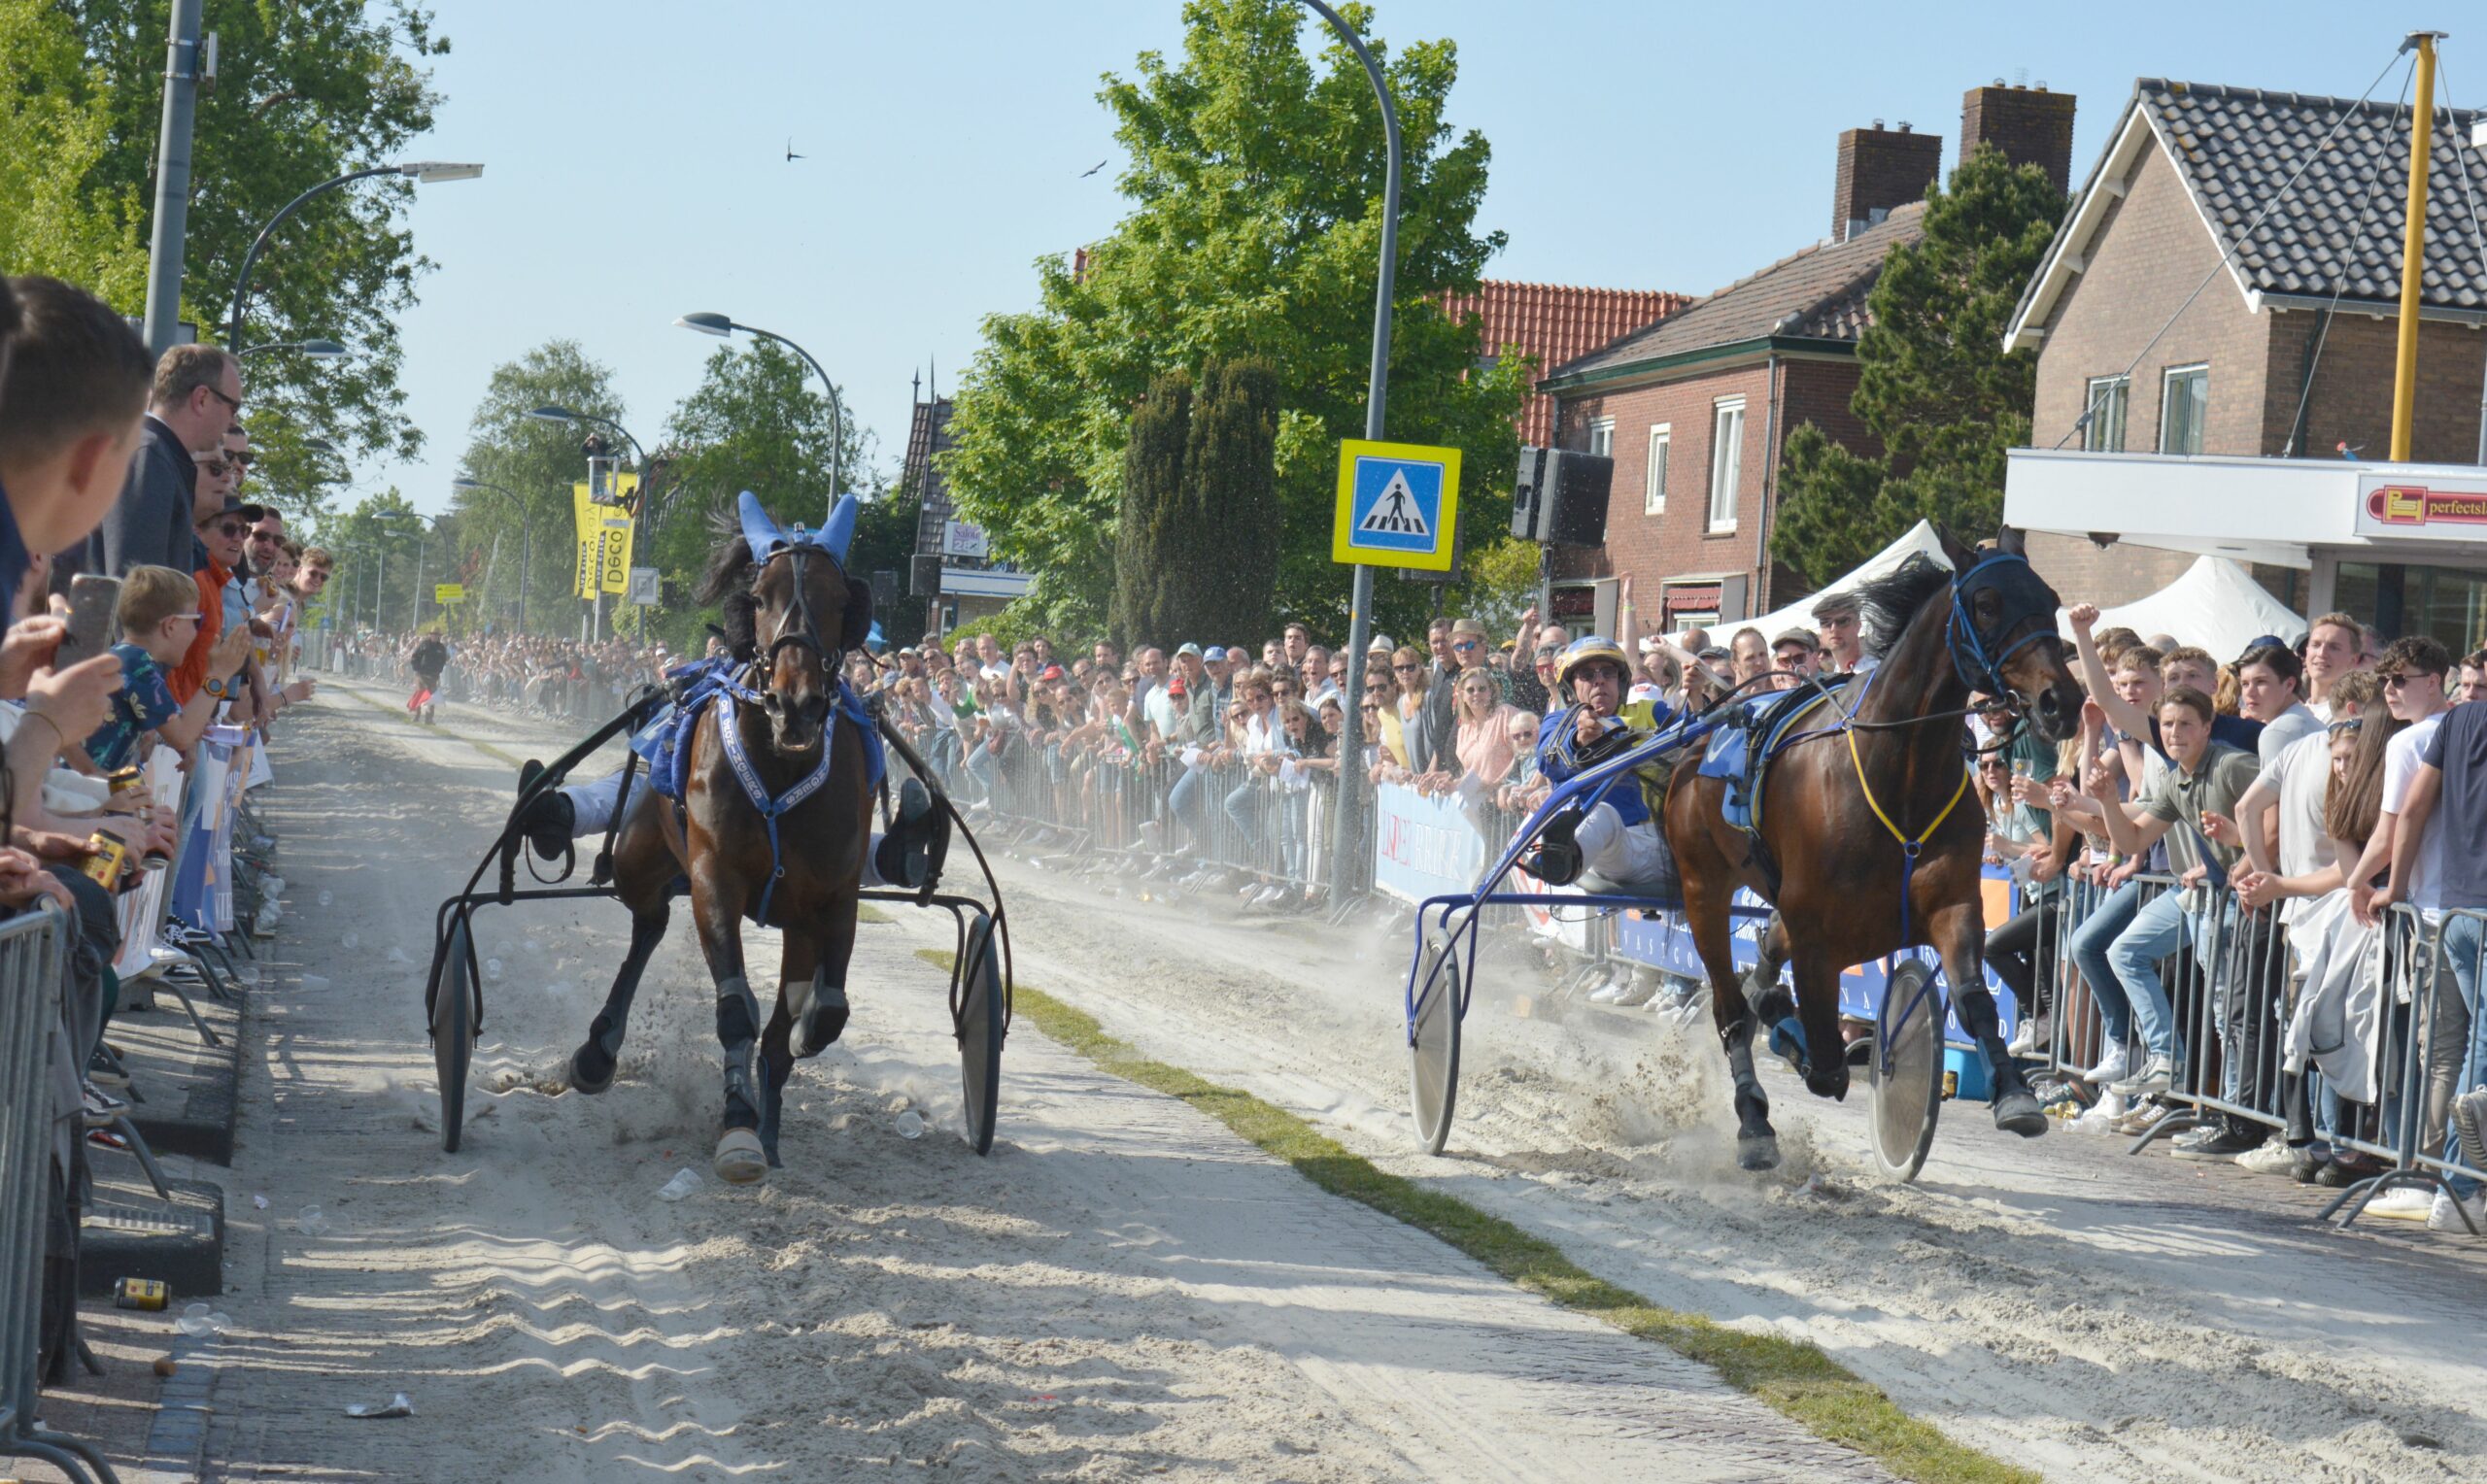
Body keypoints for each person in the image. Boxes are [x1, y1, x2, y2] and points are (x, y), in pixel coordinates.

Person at [2087, 687, 2262, 1097]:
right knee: (2125, 952)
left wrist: (2244, 864)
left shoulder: (2235, 764)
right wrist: (2109, 801)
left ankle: (2236, 1110)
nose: (2174, 732)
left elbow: (2281, 822)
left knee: (2233, 1013)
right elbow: (2132, 842)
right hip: (2214, 896)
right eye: (2167, 724)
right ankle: (2168, 1060)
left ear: (2207, 727)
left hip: (2252, 897)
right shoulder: (2174, 780)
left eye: (2185, 723)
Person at [1519, 636, 1680, 896]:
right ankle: (1559, 861)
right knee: (1604, 815)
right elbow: (1549, 761)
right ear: (1570, 688)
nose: (1600, 680)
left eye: (1608, 673)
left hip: (1660, 845)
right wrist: (1580, 740)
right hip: (1606, 848)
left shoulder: (1654, 712)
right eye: (1587, 675)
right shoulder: (1559, 722)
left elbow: (1698, 732)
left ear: (1621, 682)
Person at [74, 341, 240, 582]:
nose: (234, 421)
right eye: (233, 407)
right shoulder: (149, 457)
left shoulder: (155, 454)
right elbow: (137, 590)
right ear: (202, 398)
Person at [1812, 590, 1868, 674]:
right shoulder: (1832, 676)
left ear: (1858, 625)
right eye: (1825, 622)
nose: (1833, 628)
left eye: (1843, 621)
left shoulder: (1877, 670)